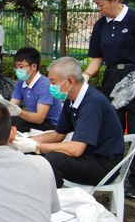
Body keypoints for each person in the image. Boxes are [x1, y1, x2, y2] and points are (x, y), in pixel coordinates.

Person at [83, 0, 135, 199]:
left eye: (101, 4)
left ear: (115, 0)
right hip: (113, 78)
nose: (99, 8)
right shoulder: (101, 25)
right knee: (112, 129)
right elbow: (97, 58)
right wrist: (86, 75)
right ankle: (112, 173)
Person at [15, 57, 124, 189]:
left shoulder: (92, 104)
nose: (50, 87)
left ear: (70, 81)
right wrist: (24, 141)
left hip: (103, 165)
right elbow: (58, 134)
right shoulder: (70, 98)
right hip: (88, 156)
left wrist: (37, 146)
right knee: (31, 153)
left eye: (53, 82)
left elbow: (76, 149)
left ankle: (54, 203)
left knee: (54, 160)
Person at [8, 47, 62, 132]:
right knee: (7, 121)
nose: (18, 70)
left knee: (18, 124)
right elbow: (11, 105)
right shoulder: (21, 82)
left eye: (21, 67)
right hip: (34, 120)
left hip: (51, 123)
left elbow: (39, 118)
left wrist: (19, 112)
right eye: (16, 67)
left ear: (33, 67)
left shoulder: (45, 84)